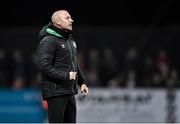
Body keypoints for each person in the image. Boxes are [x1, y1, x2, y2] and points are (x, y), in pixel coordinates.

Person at [36, 9, 89, 123]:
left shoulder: (69, 40)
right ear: (58, 22)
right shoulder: (48, 40)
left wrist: (82, 82)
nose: (71, 20)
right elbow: (44, 66)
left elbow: (73, 64)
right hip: (55, 92)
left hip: (69, 91)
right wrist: (66, 75)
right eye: (67, 18)